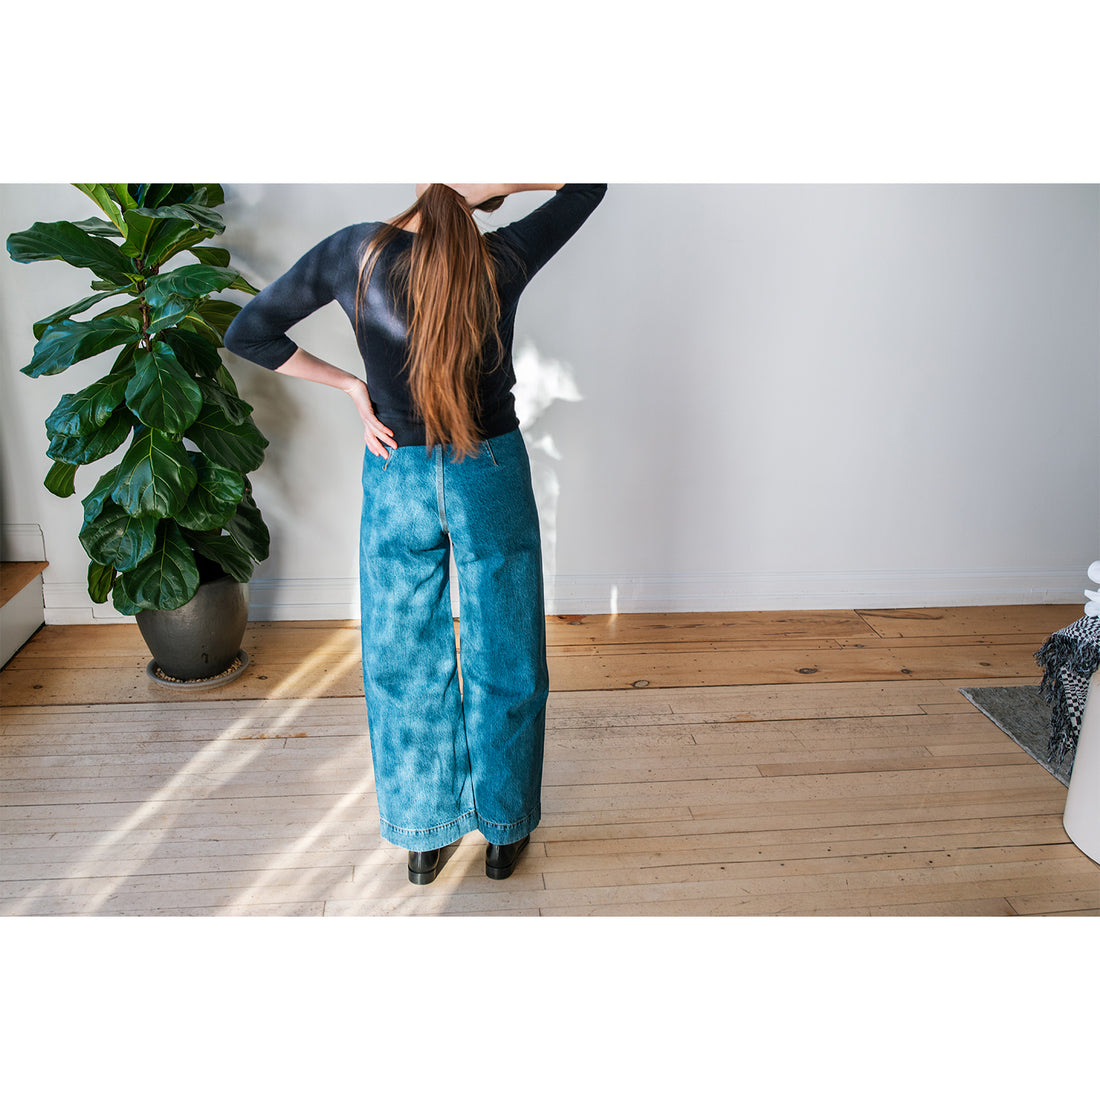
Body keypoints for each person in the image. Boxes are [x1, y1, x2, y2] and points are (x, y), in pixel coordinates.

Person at [224, 182, 607, 884]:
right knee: (508, 648)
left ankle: (425, 833)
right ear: (485, 199)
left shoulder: (355, 252)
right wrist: (499, 181)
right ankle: (505, 827)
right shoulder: (503, 256)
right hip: (488, 471)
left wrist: (353, 388)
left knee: (403, 657)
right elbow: (590, 180)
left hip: (396, 470)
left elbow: (248, 330)